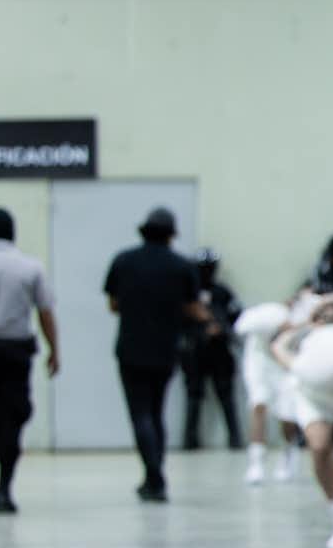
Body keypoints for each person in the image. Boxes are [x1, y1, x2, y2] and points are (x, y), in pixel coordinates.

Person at [104, 206, 207, 503]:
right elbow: (193, 308)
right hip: (165, 348)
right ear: (171, 235)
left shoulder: (124, 261)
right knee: (156, 412)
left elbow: (113, 305)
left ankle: (154, 476)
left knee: (140, 414)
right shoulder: (181, 267)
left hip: (131, 348)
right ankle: (154, 475)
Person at [270, 312, 333, 548]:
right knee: (319, 448)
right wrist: (304, 324)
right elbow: (278, 347)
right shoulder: (305, 338)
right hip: (312, 394)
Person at [0, 207, 58, 514]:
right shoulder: (30, 267)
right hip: (16, 353)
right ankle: (5, 488)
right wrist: (54, 350)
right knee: (11, 420)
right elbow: (45, 312)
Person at [180, 250, 244, 451]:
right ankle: (190, 440)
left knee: (225, 394)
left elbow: (237, 316)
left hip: (220, 351)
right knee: (194, 395)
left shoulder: (222, 292)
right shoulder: (188, 295)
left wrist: (222, 329)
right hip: (195, 351)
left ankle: (235, 438)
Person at [234, 298, 302, 486]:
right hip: (259, 363)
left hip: (283, 365)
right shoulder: (270, 314)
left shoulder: (302, 317)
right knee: (259, 405)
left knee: (287, 414)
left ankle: (289, 452)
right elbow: (240, 327)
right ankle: (256, 462)